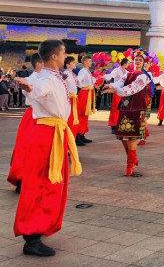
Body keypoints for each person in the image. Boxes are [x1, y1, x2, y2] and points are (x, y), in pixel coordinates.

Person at [13, 40, 82, 257]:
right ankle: (31, 237)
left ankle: (39, 227)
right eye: (63, 53)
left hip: (53, 132)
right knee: (41, 182)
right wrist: (29, 89)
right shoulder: (45, 78)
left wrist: (30, 88)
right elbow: (37, 89)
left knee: (50, 182)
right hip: (47, 134)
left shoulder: (53, 76)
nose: (65, 56)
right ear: (54, 56)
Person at [103, 50, 153, 176]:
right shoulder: (127, 74)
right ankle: (133, 158)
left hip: (136, 108)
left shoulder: (143, 76)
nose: (137, 62)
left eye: (140, 60)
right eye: (136, 59)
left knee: (131, 137)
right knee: (123, 136)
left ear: (144, 63)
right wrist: (111, 86)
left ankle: (130, 165)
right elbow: (119, 83)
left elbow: (133, 88)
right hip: (125, 107)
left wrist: (116, 91)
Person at [7, 54, 44, 191]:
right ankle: (22, 178)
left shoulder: (46, 78)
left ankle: (33, 179)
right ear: (38, 64)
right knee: (26, 147)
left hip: (42, 116)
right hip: (34, 116)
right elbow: (29, 92)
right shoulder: (31, 79)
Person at [103, 58, 130, 134]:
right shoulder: (116, 70)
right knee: (115, 108)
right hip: (117, 91)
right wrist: (102, 76)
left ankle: (121, 124)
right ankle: (113, 125)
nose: (128, 65)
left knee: (123, 108)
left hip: (124, 91)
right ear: (125, 63)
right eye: (127, 63)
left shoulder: (127, 72)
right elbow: (110, 76)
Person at [75, 56, 96, 146]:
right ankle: (77, 136)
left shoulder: (87, 71)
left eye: (91, 61)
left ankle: (82, 134)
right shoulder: (83, 71)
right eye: (89, 61)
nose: (91, 63)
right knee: (81, 113)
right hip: (84, 93)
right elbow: (78, 80)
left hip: (88, 92)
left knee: (85, 114)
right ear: (84, 62)